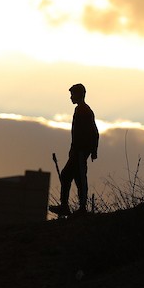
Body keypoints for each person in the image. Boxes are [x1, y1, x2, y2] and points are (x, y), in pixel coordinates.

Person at [55, 83, 99, 216]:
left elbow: (94, 132)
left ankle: (79, 208)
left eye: (72, 94)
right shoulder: (80, 110)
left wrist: (92, 150)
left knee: (75, 177)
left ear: (80, 95)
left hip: (80, 152)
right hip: (77, 151)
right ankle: (71, 207)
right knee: (72, 177)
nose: (71, 97)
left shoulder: (84, 110)